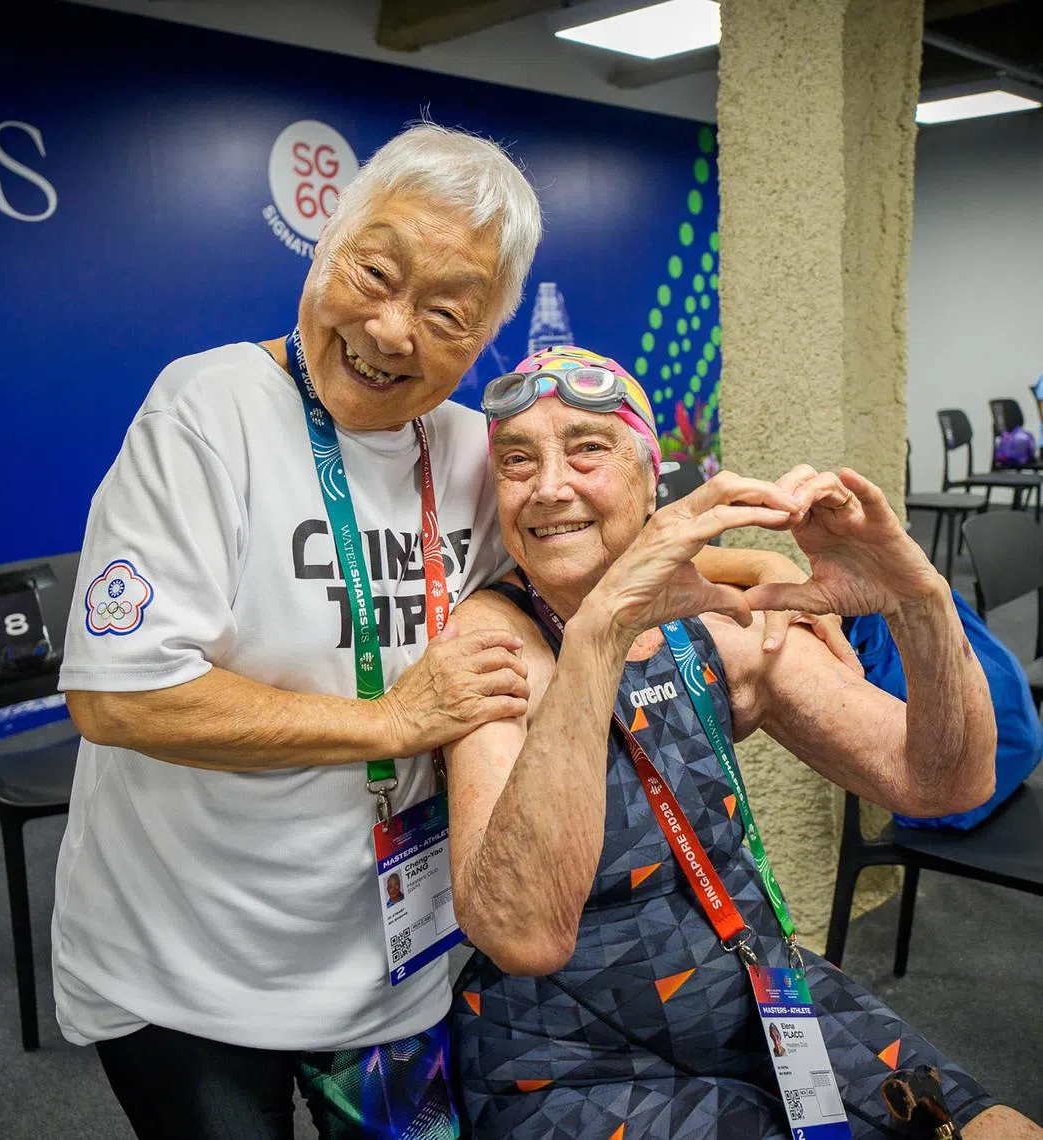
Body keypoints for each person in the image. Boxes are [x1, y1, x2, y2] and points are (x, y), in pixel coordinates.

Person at [52, 122, 545, 1140]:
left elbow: (578, 564)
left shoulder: (469, 450)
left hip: (393, 969)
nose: (393, 329)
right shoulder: (209, 410)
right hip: (188, 970)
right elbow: (116, 694)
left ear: (488, 334)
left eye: (446, 312)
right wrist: (392, 721)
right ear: (326, 243)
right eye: (375, 272)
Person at [446, 346, 1041, 1138]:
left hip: (761, 992)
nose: (550, 485)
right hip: (571, 1063)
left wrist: (918, 601)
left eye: (588, 447)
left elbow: (942, 782)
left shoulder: (712, 626)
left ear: (650, 478)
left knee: (993, 1125)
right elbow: (523, 932)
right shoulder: (492, 646)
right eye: (518, 460)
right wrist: (603, 630)